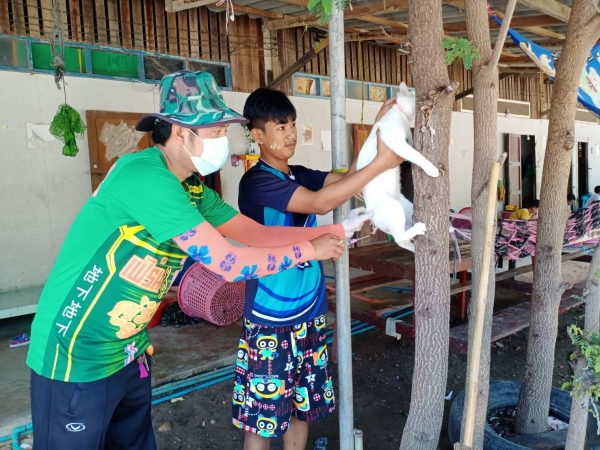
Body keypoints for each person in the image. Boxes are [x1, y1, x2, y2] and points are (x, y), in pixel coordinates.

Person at [26, 71, 371, 450]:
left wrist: (336, 232)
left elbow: (255, 233)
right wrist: (310, 250)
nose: (223, 141)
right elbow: (229, 263)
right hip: (75, 354)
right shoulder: (145, 176)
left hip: (127, 350)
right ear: (179, 131)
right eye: (215, 131)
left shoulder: (192, 187)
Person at [232, 88, 403, 450]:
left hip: (309, 311)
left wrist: (377, 130)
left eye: (292, 124)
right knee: (263, 418)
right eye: (281, 127)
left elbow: (347, 178)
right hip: (270, 316)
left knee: (301, 408)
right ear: (257, 134)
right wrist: (382, 164)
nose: (291, 133)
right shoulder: (257, 181)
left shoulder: (299, 173)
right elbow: (320, 203)